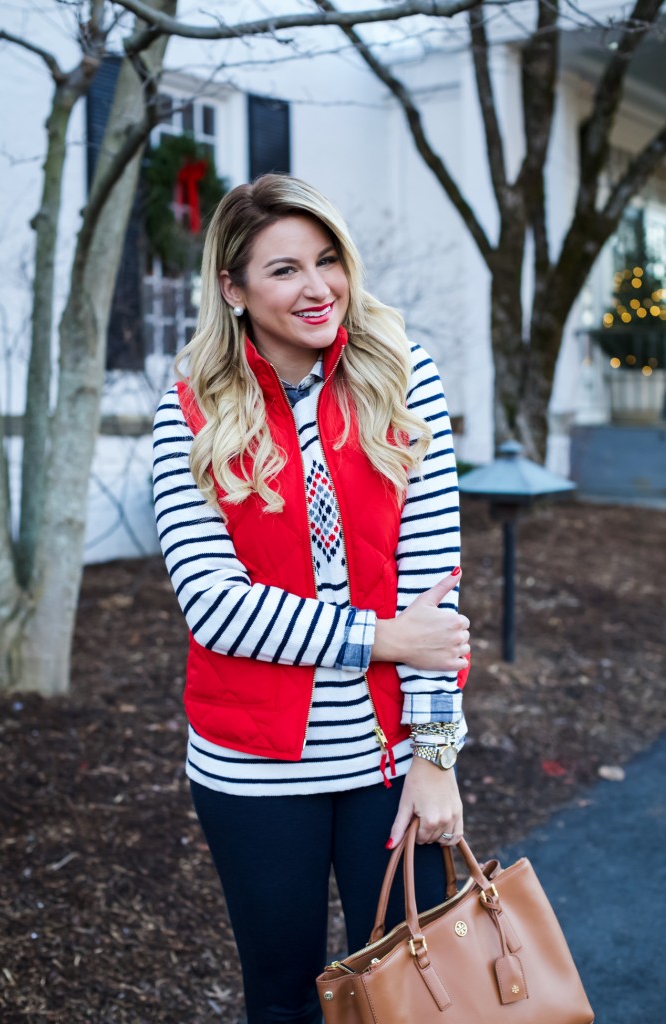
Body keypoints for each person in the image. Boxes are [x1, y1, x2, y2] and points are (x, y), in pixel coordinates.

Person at [152, 174, 471, 1024]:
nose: (317, 287)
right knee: (284, 995)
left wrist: (436, 758)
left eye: (327, 261)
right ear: (233, 287)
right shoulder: (190, 407)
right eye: (284, 269)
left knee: (418, 991)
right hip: (252, 769)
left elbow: (434, 600)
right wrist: (381, 638)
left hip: (390, 764)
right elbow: (215, 609)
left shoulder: (405, 379)